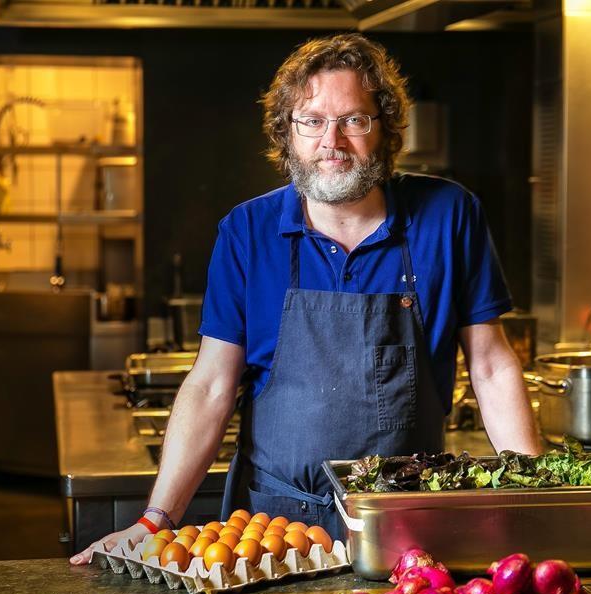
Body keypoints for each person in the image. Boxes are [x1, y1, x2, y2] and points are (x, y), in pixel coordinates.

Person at [71, 34, 540, 564]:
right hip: (273, 529)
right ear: (287, 133)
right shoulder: (248, 230)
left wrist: (538, 502)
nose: (331, 141)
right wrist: (154, 520)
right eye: (312, 120)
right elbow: (210, 385)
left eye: (354, 120)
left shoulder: (449, 215)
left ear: (384, 127)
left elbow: (493, 366)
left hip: (404, 525)